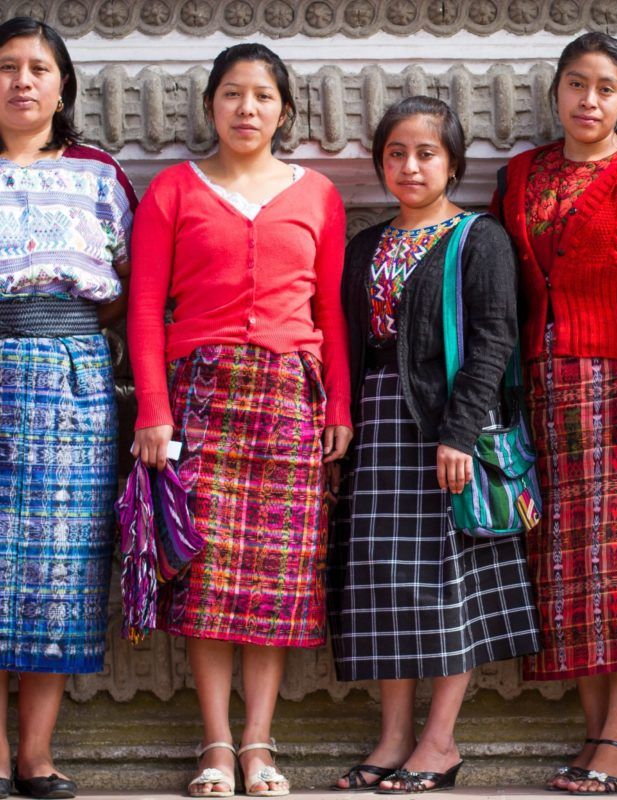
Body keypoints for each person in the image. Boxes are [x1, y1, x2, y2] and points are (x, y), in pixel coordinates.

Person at [128, 43, 351, 799]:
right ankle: (216, 746)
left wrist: (340, 407)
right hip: (202, 398)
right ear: (211, 107)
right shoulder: (173, 191)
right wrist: (153, 410)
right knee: (208, 578)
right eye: (231, 94)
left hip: (290, 401)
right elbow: (144, 310)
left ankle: (260, 744)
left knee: (277, 582)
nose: (246, 109)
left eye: (261, 96)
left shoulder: (318, 193)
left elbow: (333, 313)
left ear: (284, 111)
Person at [492, 31, 617, 796]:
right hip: (545, 391)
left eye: (606, 88)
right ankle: (591, 732)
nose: (589, 100)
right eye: (577, 84)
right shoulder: (522, 175)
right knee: (567, 563)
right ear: (557, 92)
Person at [328, 96, 539, 794]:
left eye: (426, 152)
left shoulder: (479, 239)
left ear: (452, 161)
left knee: (449, 587)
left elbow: (494, 340)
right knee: (386, 586)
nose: (410, 165)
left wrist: (458, 433)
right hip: (379, 429)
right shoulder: (367, 245)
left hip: (447, 428)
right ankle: (392, 737)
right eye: (396, 153)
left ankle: (440, 741)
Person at [0, 16, 136, 800]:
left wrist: (60, 338)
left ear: (62, 86)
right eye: (9, 66)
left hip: (71, 385)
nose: (23, 81)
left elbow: (129, 284)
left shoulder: (95, 173)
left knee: (57, 569)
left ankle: (36, 757)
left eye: (39, 68)